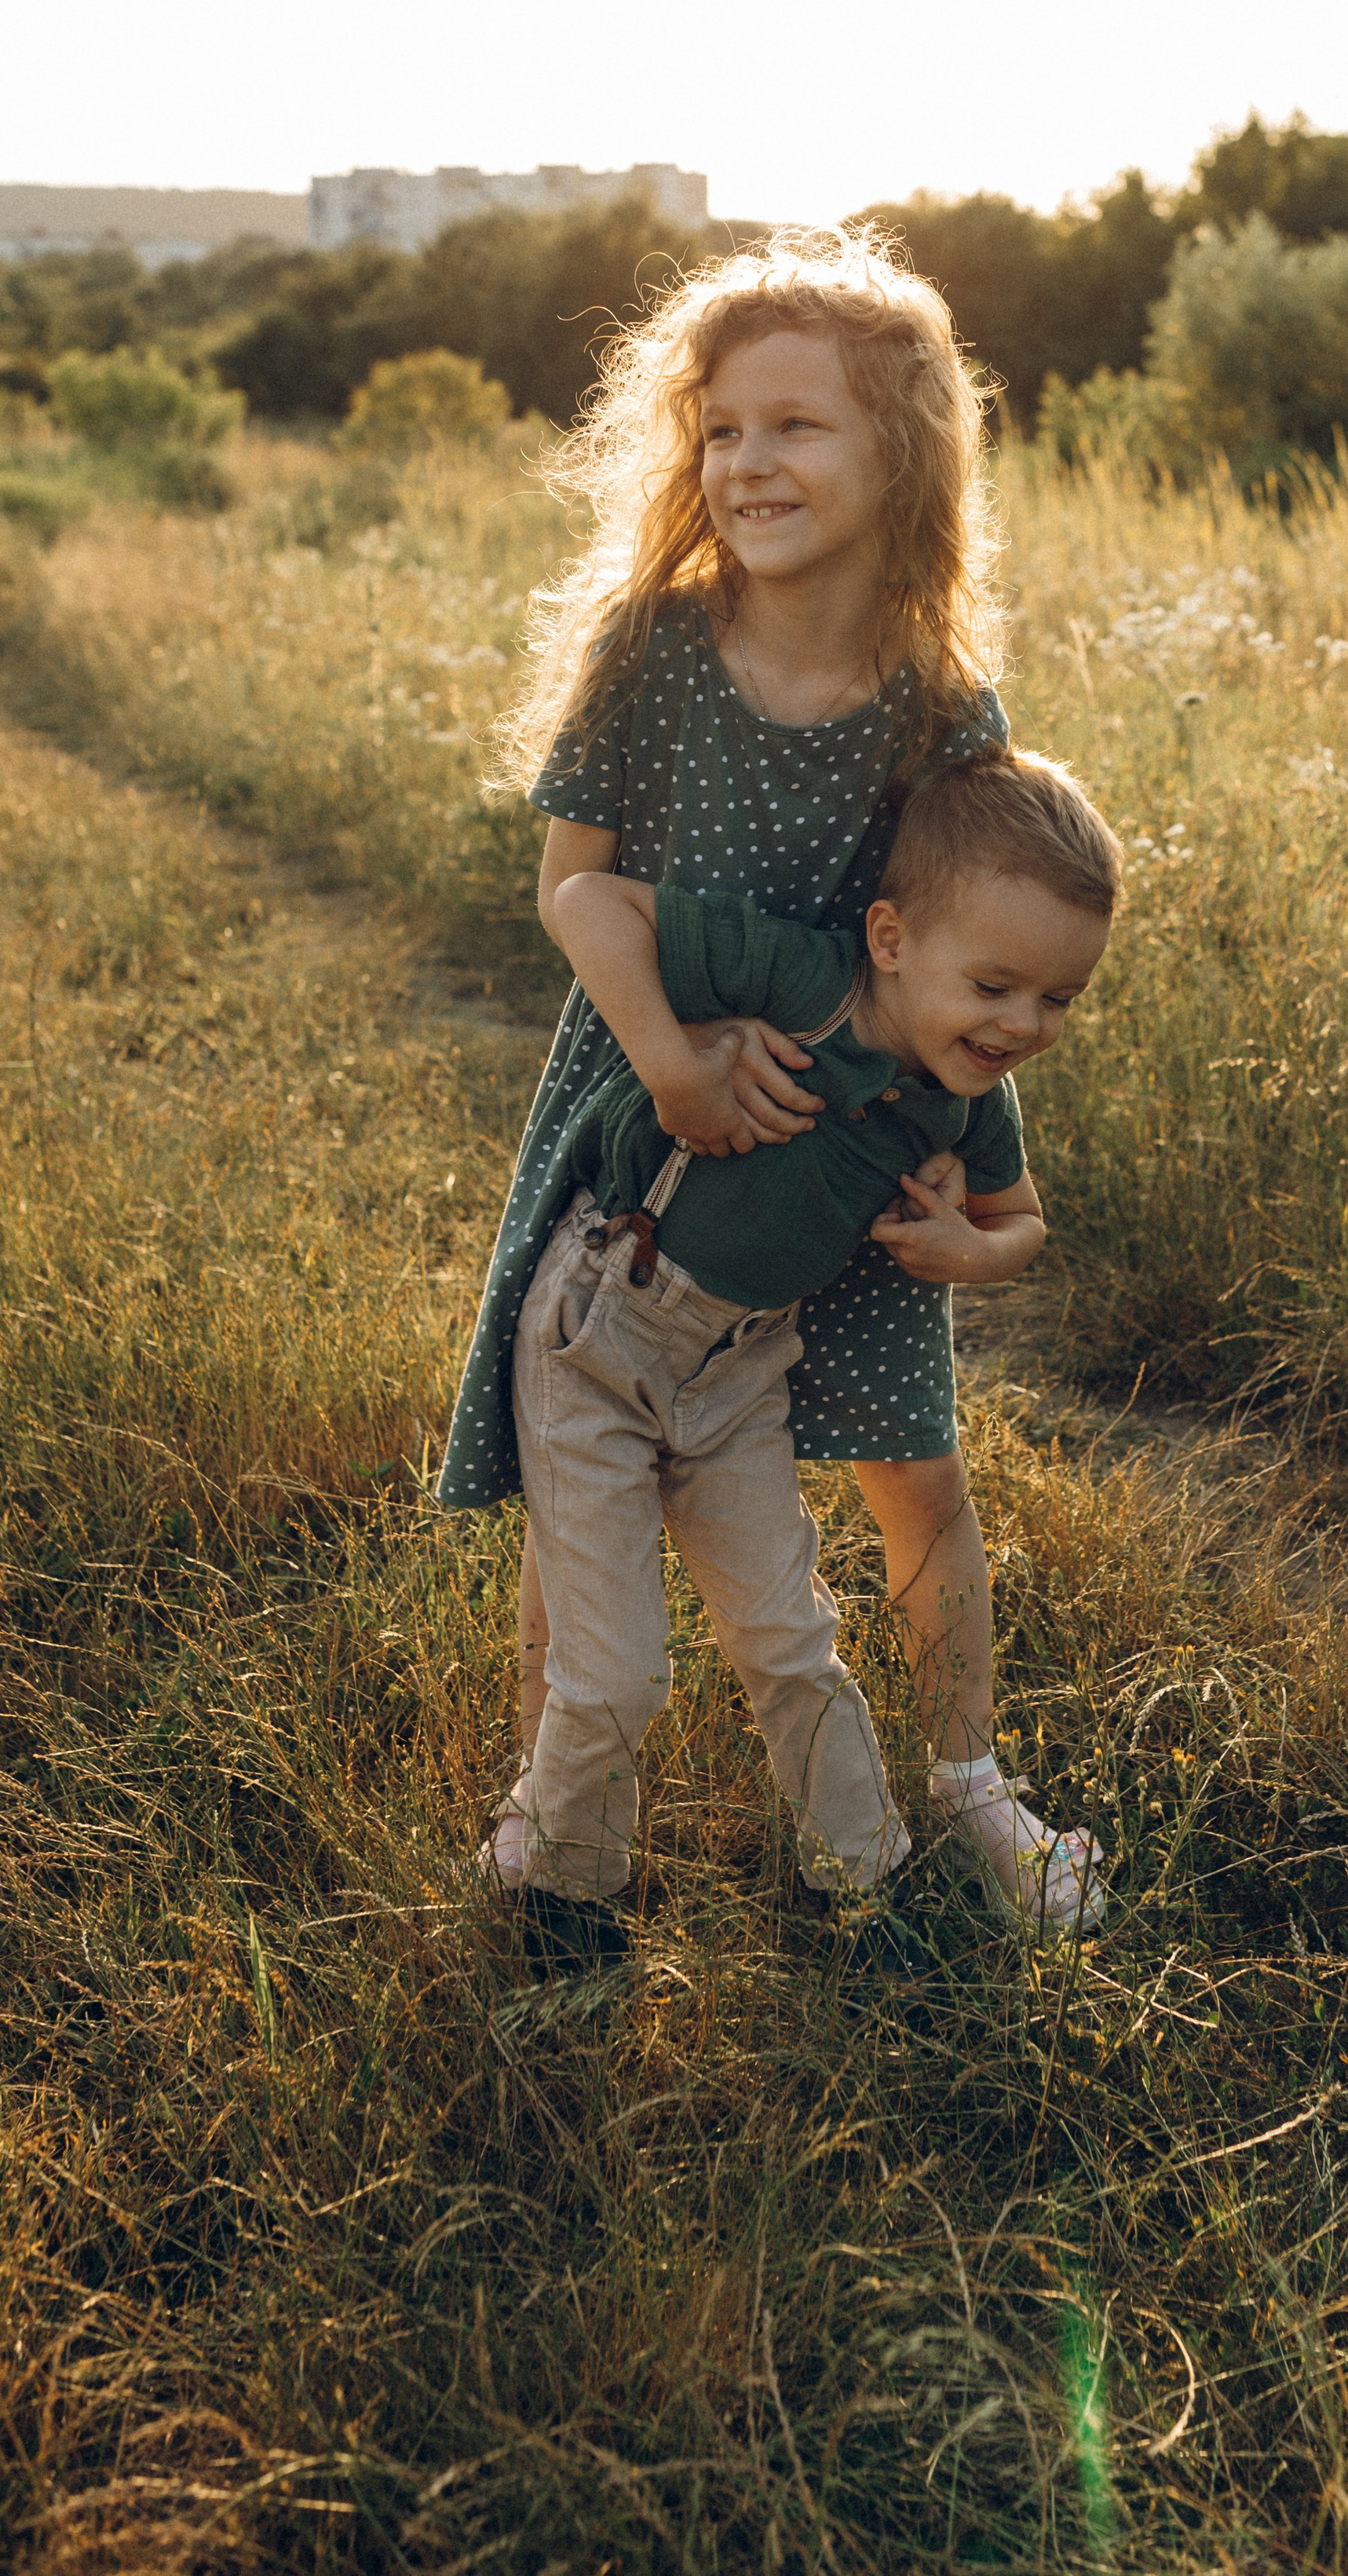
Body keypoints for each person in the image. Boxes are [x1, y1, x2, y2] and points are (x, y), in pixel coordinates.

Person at [437, 225, 1103, 1933]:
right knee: (575, 1463)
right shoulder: (654, 649)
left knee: (911, 1468)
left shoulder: (940, 700)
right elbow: (570, 883)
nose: (749, 460)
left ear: (899, 450)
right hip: (655, 1099)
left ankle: (965, 1786)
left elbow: (975, 935)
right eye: (724, 428)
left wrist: (962, 1197)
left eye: (797, 425)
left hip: (860, 1135)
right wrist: (672, 1056)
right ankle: (558, 1810)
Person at [508, 746, 1120, 1959]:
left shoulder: (965, 1098)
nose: (1024, 1026)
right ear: (889, 938)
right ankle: (565, 1892)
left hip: (740, 1374)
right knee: (620, 1670)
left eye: (1059, 1000)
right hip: (601, 1334)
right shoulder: (801, 977)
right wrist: (675, 1064)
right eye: (997, 985)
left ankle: (869, 1887)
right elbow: (585, 899)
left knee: (793, 1641)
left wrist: (965, 1246)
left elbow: (1024, 1222)